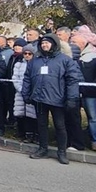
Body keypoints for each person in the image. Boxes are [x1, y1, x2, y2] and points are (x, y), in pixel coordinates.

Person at [23, 34, 83, 164]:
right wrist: (26, 94)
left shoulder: (65, 60)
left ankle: (61, 152)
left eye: (47, 43)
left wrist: (72, 98)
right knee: (42, 125)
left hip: (58, 99)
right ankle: (42, 149)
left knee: (60, 126)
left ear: (54, 44)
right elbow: (27, 77)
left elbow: (73, 80)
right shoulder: (35, 60)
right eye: (43, 43)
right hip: (39, 98)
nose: (45, 45)